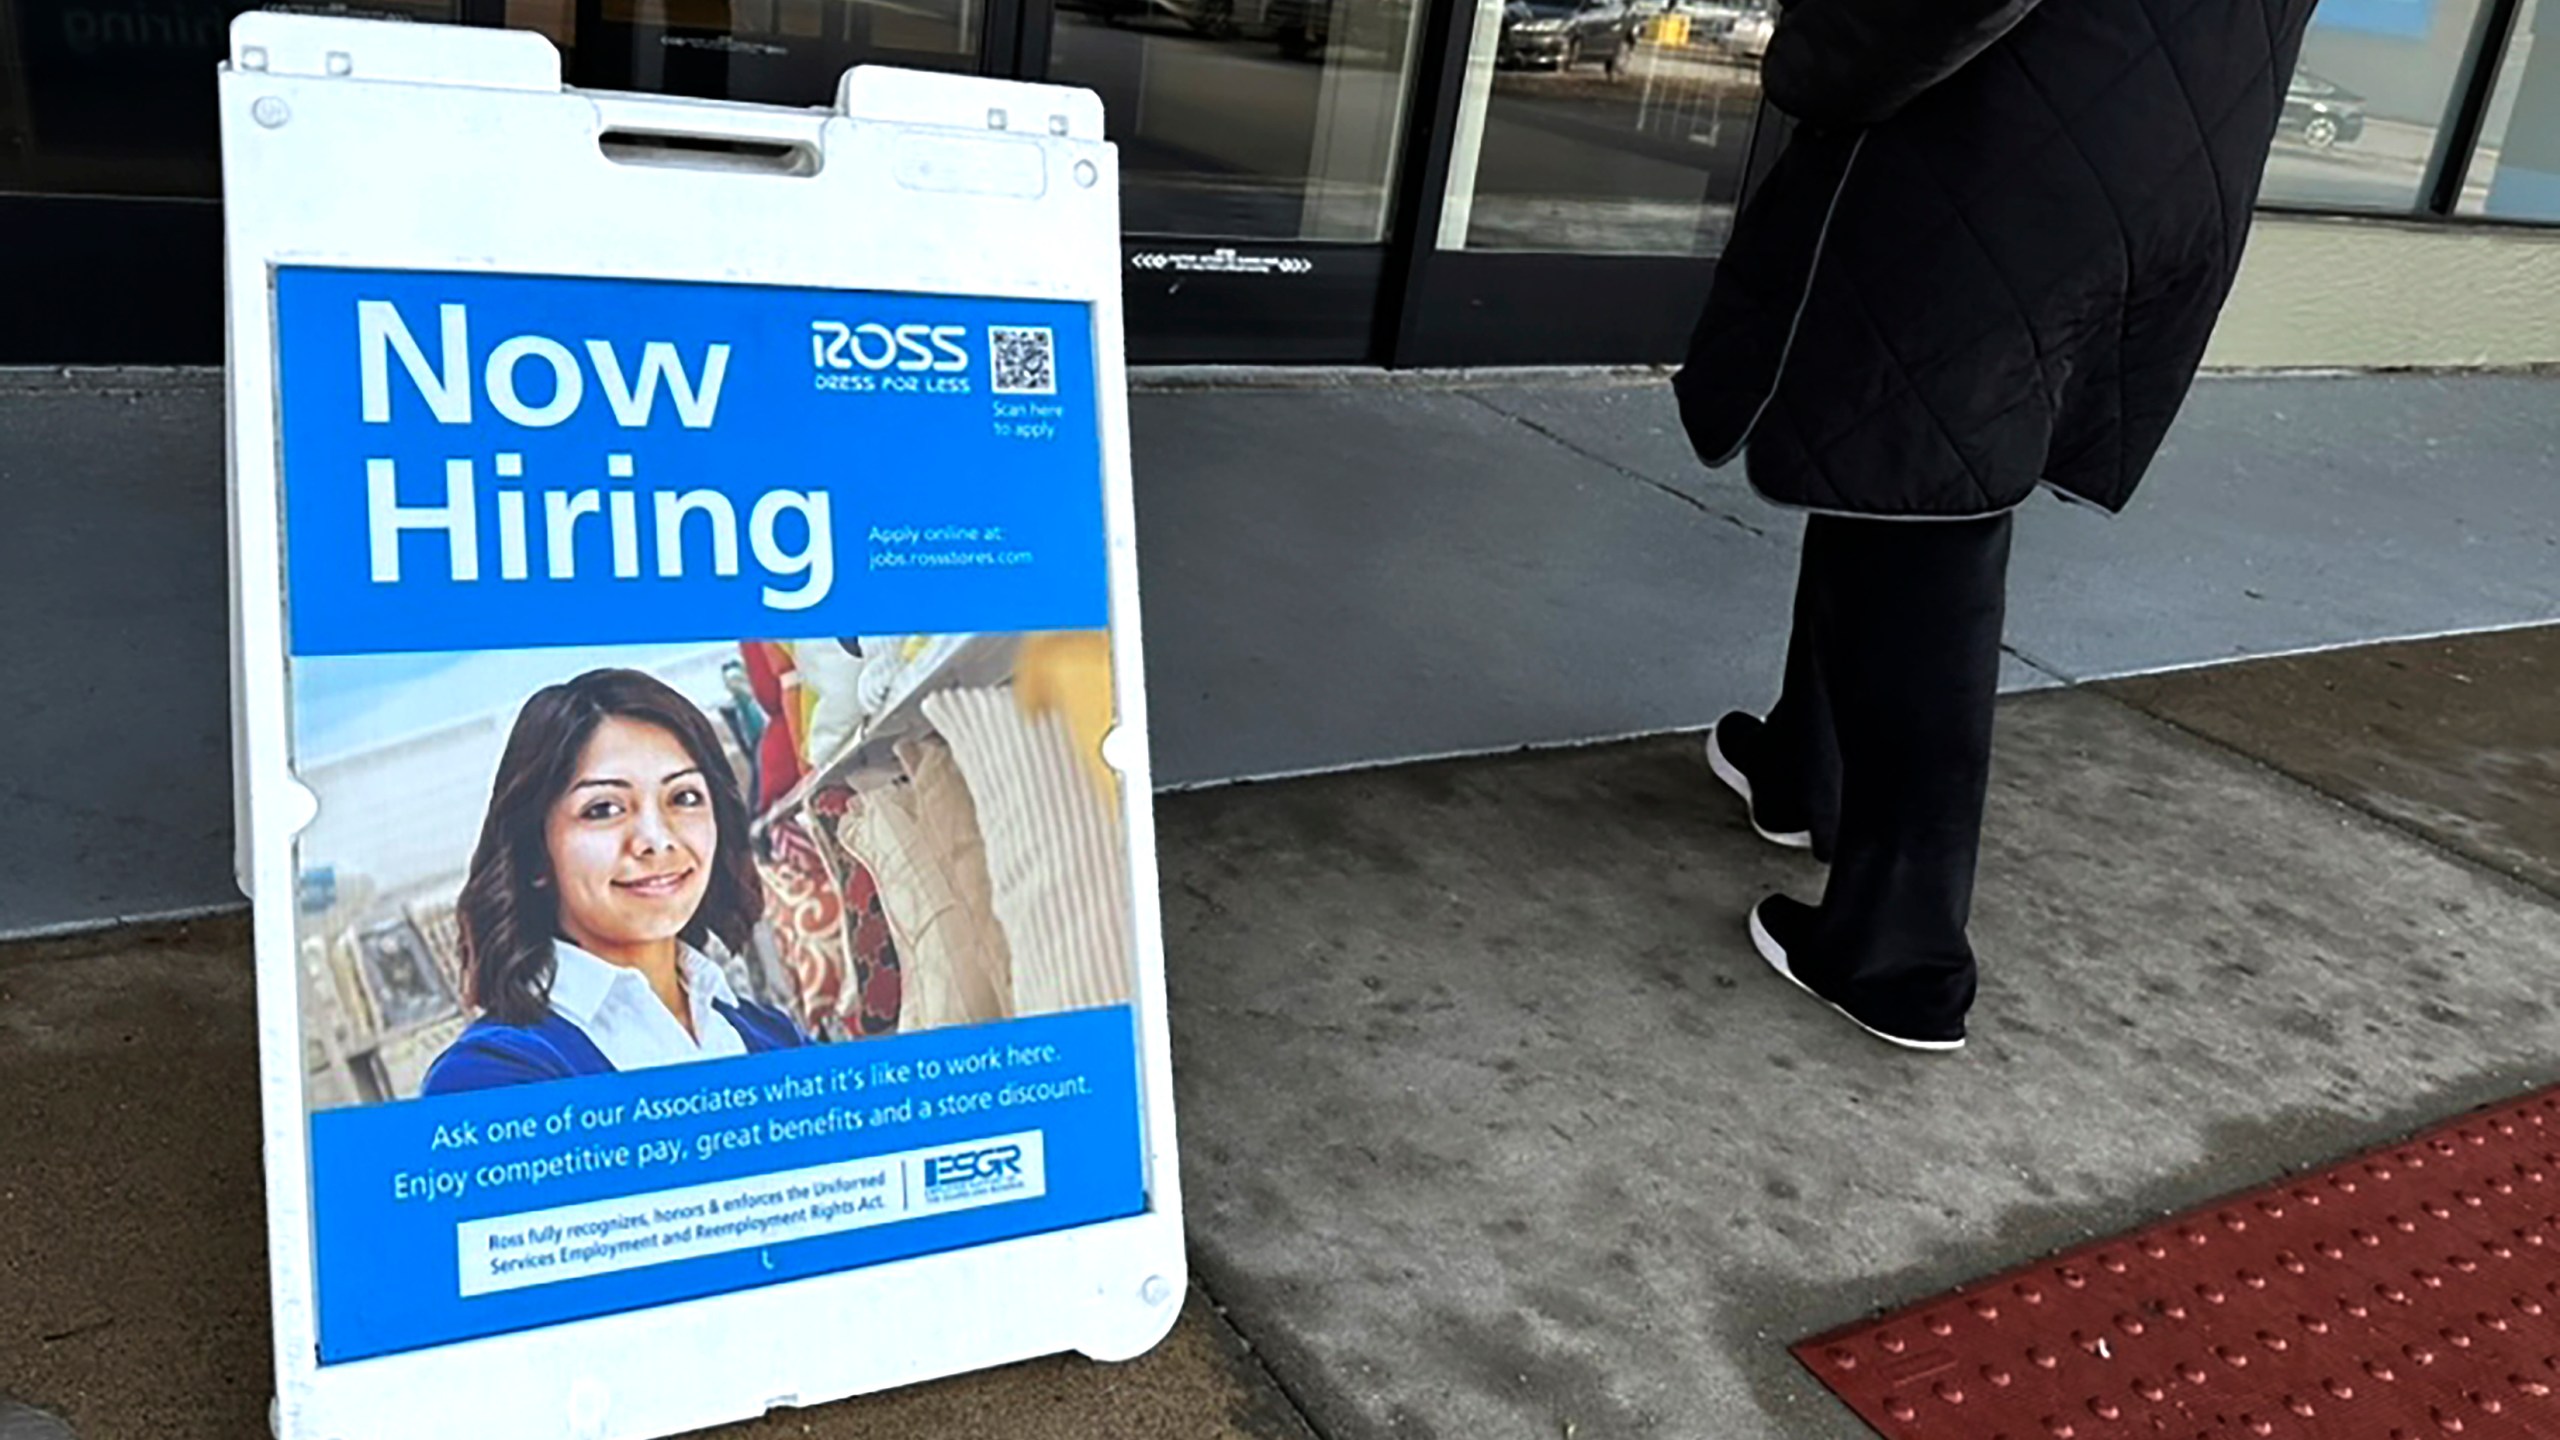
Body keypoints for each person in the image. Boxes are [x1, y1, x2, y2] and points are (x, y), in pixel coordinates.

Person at [1673, 0, 2318, 1051]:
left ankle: (1900, 956)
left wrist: (1817, 62)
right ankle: (1802, 771)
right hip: (2167, 144)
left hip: (2000, 137)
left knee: (1928, 502)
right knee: (1883, 456)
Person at [424, 668, 805, 1093]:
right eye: (604, 809)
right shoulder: (491, 1078)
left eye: (683, 798)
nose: (657, 842)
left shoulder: (774, 1036)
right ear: (535, 854)